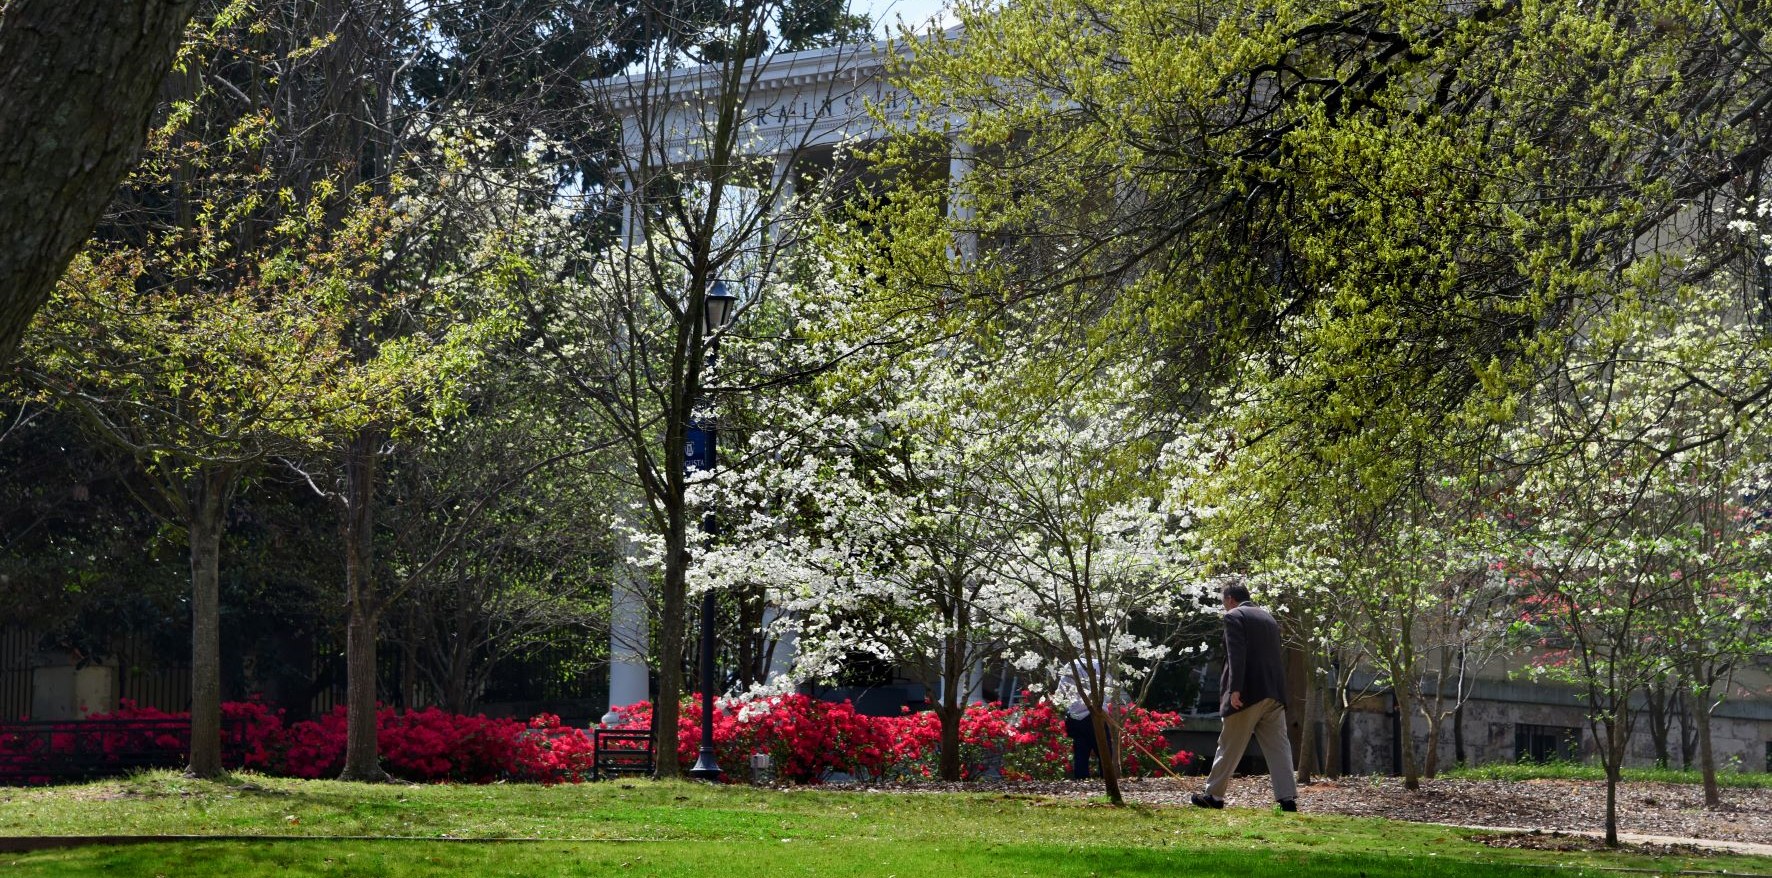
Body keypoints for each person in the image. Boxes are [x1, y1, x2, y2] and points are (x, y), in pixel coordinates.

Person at [1192, 578, 1297, 812]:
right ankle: (1287, 799)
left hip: (1248, 692)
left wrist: (1234, 689)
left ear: (1230, 599)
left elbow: (1236, 655)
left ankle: (1214, 796)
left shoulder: (1233, 617)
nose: (1224, 607)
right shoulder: (1269, 618)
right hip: (1274, 693)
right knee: (1278, 747)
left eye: (1223, 602)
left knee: (1229, 744)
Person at [1058, 658, 1114, 780]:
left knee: (1081, 753)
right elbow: (1109, 691)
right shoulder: (1099, 665)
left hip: (1077, 716)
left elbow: (1061, 692)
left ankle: (1081, 782)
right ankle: (1108, 780)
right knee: (1104, 753)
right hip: (1098, 715)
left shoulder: (1070, 665)